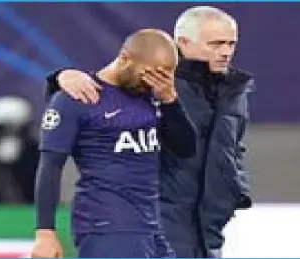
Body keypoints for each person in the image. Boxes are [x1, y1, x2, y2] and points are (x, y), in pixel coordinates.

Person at [45, 6, 255, 257]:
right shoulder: (155, 78)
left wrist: (232, 191)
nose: (226, 52)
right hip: (159, 217)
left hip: (209, 225)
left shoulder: (233, 91)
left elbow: (230, 147)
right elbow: (101, 92)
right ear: (183, 43)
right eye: (216, 44)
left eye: (231, 44)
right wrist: (60, 77)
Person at [31, 29, 196, 258]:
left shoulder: (153, 94)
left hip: (150, 226)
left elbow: (186, 149)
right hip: (108, 225)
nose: (152, 83)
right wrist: (45, 233)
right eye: (148, 75)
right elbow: (50, 165)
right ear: (124, 57)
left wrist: (170, 100)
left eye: (163, 77)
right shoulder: (80, 95)